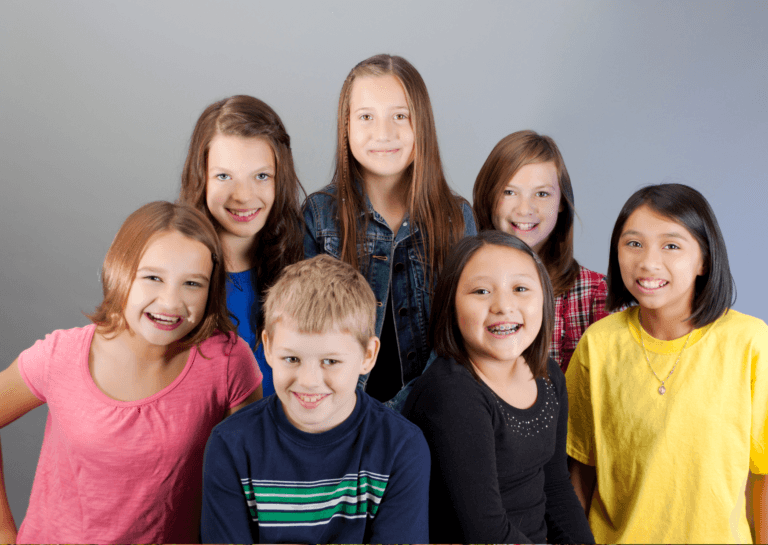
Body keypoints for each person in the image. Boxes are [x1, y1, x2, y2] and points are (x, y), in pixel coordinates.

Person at [0, 201, 262, 544]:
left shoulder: (228, 362)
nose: (170, 302)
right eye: (153, 277)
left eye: (192, 284)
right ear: (120, 270)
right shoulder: (59, 356)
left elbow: (253, 480)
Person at [566, 183, 768, 543]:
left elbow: (764, 476)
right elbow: (581, 471)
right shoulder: (598, 344)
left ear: (704, 259)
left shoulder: (750, 342)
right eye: (633, 243)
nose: (648, 262)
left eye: (671, 245)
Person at [200, 255, 430, 544]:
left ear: (368, 356)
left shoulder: (401, 447)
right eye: (292, 358)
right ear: (268, 347)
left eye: (331, 361)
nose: (309, 380)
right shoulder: (231, 445)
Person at [303, 54, 477, 404]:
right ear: (346, 127)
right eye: (366, 117)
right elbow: (307, 330)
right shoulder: (319, 215)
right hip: (342, 412)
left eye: (400, 116)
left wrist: (399, 413)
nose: (383, 133)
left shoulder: (455, 218)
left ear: (421, 125)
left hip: (434, 410)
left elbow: (461, 334)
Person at [403, 231, 594, 544]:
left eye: (520, 288)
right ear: (451, 305)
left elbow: (555, 487)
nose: (503, 306)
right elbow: (485, 532)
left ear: (544, 298)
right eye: (481, 291)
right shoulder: (452, 393)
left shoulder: (548, 375)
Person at [180, 95, 305, 397]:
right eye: (224, 176)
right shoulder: (175, 274)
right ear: (202, 178)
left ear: (280, 180)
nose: (243, 196)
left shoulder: (305, 263)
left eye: (261, 176)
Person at [473, 130, 608, 372]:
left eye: (542, 194)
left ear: (562, 203)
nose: (525, 209)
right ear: (488, 197)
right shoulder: (459, 281)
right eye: (509, 192)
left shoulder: (596, 294)